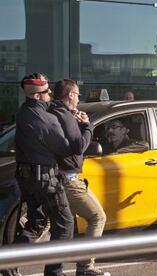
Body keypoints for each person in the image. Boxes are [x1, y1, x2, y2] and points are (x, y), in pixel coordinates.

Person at [13, 73, 74, 276]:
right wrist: (82, 126)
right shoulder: (45, 119)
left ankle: (7, 263)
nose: (50, 94)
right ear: (37, 96)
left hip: (28, 178)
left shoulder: (24, 111)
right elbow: (66, 147)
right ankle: (54, 273)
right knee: (64, 224)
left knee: (36, 224)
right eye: (47, 92)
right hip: (45, 180)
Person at [48, 79, 109, 276]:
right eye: (77, 95)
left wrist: (76, 122)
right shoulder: (64, 116)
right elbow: (79, 147)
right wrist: (88, 126)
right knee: (97, 216)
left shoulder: (52, 113)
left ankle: (11, 264)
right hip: (68, 179)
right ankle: (85, 268)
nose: (78, 99)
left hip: (58, 178)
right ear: (71, 95)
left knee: (52, 226)